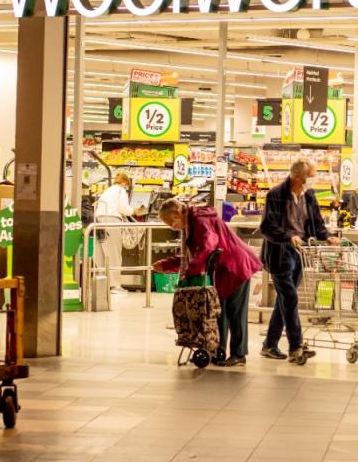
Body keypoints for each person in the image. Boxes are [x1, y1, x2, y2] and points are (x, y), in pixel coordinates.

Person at [154, 199, 262, 367]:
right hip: (221, 269)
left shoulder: (199, 220)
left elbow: (206, 246)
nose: (171, 226)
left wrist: (192, 272)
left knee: (235, 312)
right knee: (220, 311)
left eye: (169, 222)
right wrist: (167, 265)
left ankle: (239, 354)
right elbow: (189, 254)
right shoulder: (189, 224)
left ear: (177, 213)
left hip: (235, 266)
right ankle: (217, 350)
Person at [260, 157, 339, 364]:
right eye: (310, 176)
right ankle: (296, 347)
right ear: (296, 176)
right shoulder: (276, 194)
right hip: (280, 253)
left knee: (285, 299)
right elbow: (267, 227)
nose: (313, 179)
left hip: (300, 253)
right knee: (291, 297)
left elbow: (317, 224)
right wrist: (288, 237)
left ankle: (269, 345)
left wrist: (327, 236)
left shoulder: (309, 195)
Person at [94, 173, 144, 293]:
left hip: (98, 220)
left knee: (101, 254)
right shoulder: (121, 191)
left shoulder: (107, 191)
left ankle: (101, 283)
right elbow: (124, 209)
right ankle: (115, 286)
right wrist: (135, 211)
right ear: (125, 183)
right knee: (114, 253)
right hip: (111, 220)